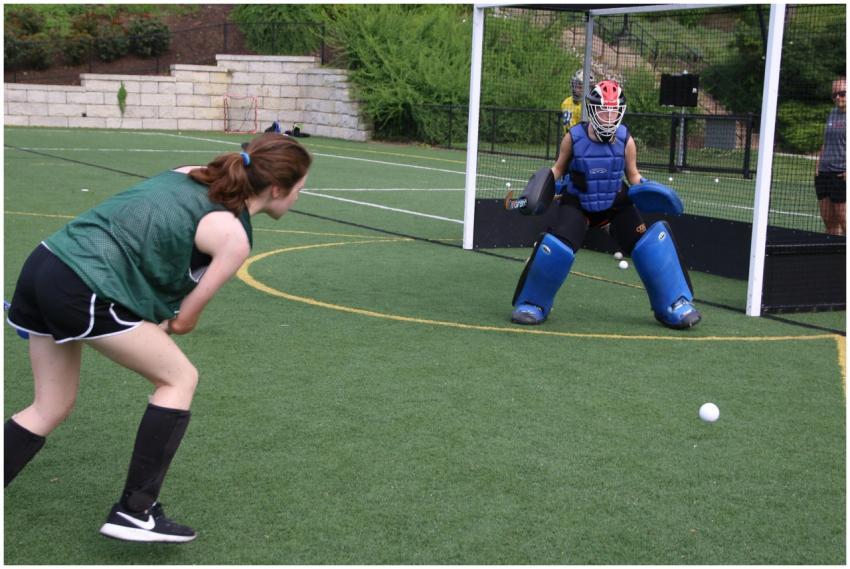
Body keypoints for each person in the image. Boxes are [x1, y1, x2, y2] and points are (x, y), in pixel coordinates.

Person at [4, 132, 312, 543]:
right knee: (179, 378)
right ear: (276, 188)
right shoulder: (233, 238)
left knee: (50, 405)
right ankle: (135, 511)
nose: (298, 197)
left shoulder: (189, 173)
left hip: (44, 265)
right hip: (83, 289)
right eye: (300, 189)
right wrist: (161, 321)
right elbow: (183, 321)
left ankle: (134, 509)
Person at [510, 79, 701, 330]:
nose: (609, 116)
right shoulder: (574, 137)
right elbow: (558, 169)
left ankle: (674, 304)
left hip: (615, 204)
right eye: (603, 109)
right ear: (593, 109)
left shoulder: (626, 140)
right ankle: (532, 303)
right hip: (578, 203)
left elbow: (633, 176)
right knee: (556, 247)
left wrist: (650, 188)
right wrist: (537, 190)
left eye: (614, 110)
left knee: (651, 244)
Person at [815, 77, 846, 236]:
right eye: (835, 95)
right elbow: (825, 142)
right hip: (824, 173)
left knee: (844, 218)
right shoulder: (832, 113)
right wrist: (818, 165)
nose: (838, 97)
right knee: (828, 219)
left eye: (842, 93)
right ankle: (833, 254)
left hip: (841, 174)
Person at [560, 69, 595, 135]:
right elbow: (570, 128)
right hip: (574, 139)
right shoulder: (567, 103)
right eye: (577, 86)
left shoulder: (593, 104)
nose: (578, 90)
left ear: (590, 88)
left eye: (581, 87)